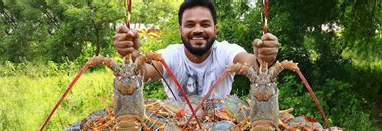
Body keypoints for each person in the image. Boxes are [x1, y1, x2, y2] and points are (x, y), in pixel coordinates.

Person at [113, 0, 280, 101]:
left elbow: (250, 63)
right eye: (190, 25)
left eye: (205, 24)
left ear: (216, 29)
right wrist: (135, 56)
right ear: (180, 30)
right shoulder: (171, 54)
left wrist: (262, 57)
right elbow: (146, 72)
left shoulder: (225, 51)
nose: (198, 30)